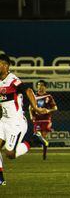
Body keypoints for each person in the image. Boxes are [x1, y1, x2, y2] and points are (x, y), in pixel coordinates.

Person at [0, 54, 47, 186]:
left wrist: (36, 108)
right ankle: (0, 178)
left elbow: (28, 90)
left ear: (5, 65)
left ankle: (33, 140)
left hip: (16, 123)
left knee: (10, 154)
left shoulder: (13, 80)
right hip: (3, 121)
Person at [29, 80, 58, 160]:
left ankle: (44, 156)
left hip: (46, 119)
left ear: (45, 87)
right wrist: (31, 115)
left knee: (43, 137)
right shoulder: (34, 96)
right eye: (38, 85)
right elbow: (30, 107)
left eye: (42, 85)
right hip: (37, 119)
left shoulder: (48, 96)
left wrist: (48, 110)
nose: (40, 86)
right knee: (37, 135)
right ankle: (44, 144)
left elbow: (55, 108)